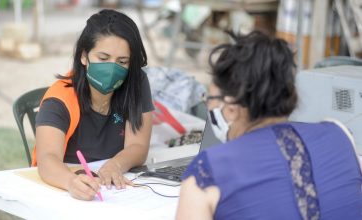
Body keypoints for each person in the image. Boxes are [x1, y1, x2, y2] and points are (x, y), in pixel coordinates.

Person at [176, 31, 362, 219]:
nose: (208, 105)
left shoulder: (207, 171)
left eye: (210, 98)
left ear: (231, 106)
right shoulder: (339, 136)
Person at [34, 9, 154, 201]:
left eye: (122, 61)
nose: (112, 68)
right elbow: (47, 159)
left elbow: (138, 145)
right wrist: (71, 182)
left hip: (116, 191)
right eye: (103, 58)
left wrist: (116, 165)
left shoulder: (135, 82)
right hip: (65, 192)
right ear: (84, 56)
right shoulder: (59, 99)